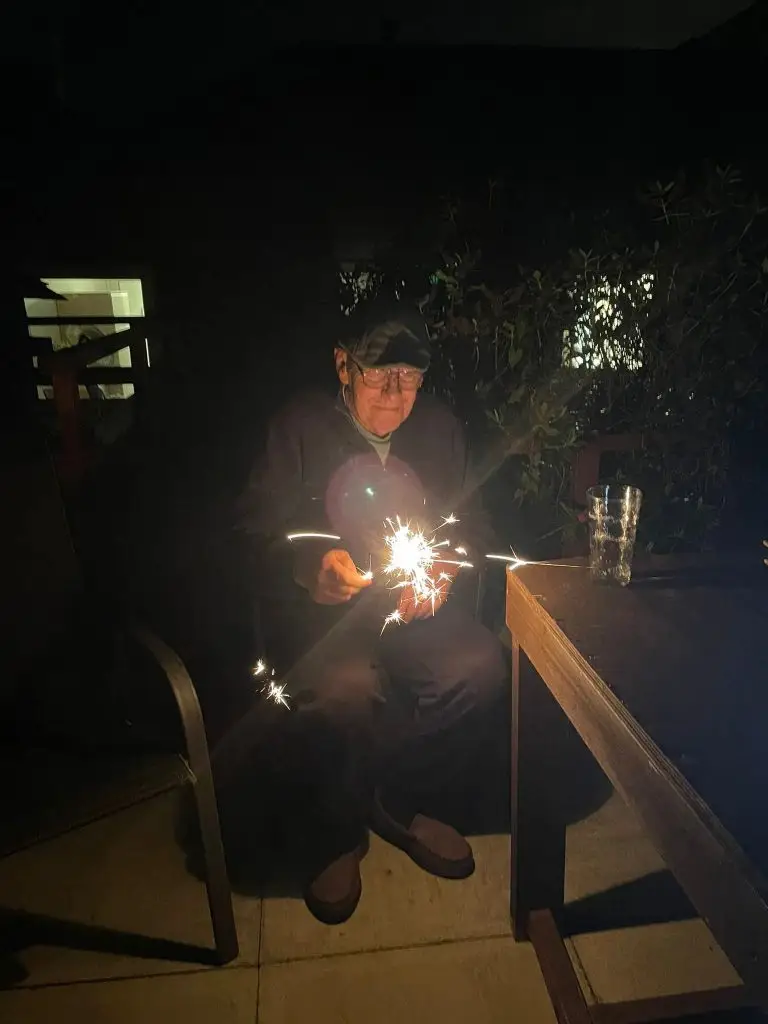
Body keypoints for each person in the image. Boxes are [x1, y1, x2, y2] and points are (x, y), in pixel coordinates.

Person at [237, 303, 507, 924]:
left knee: (479, 667)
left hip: (416, 609)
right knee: (343, 690)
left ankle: (402, 797)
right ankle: (336, 830)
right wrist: (308, 568)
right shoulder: (298, 426)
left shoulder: (440, 430)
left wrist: (444, 565)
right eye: (379, 374)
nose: (394, 392)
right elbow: (254, 529)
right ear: (343, 365)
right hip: (324, 619)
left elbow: (476, 522)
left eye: (408, 377)